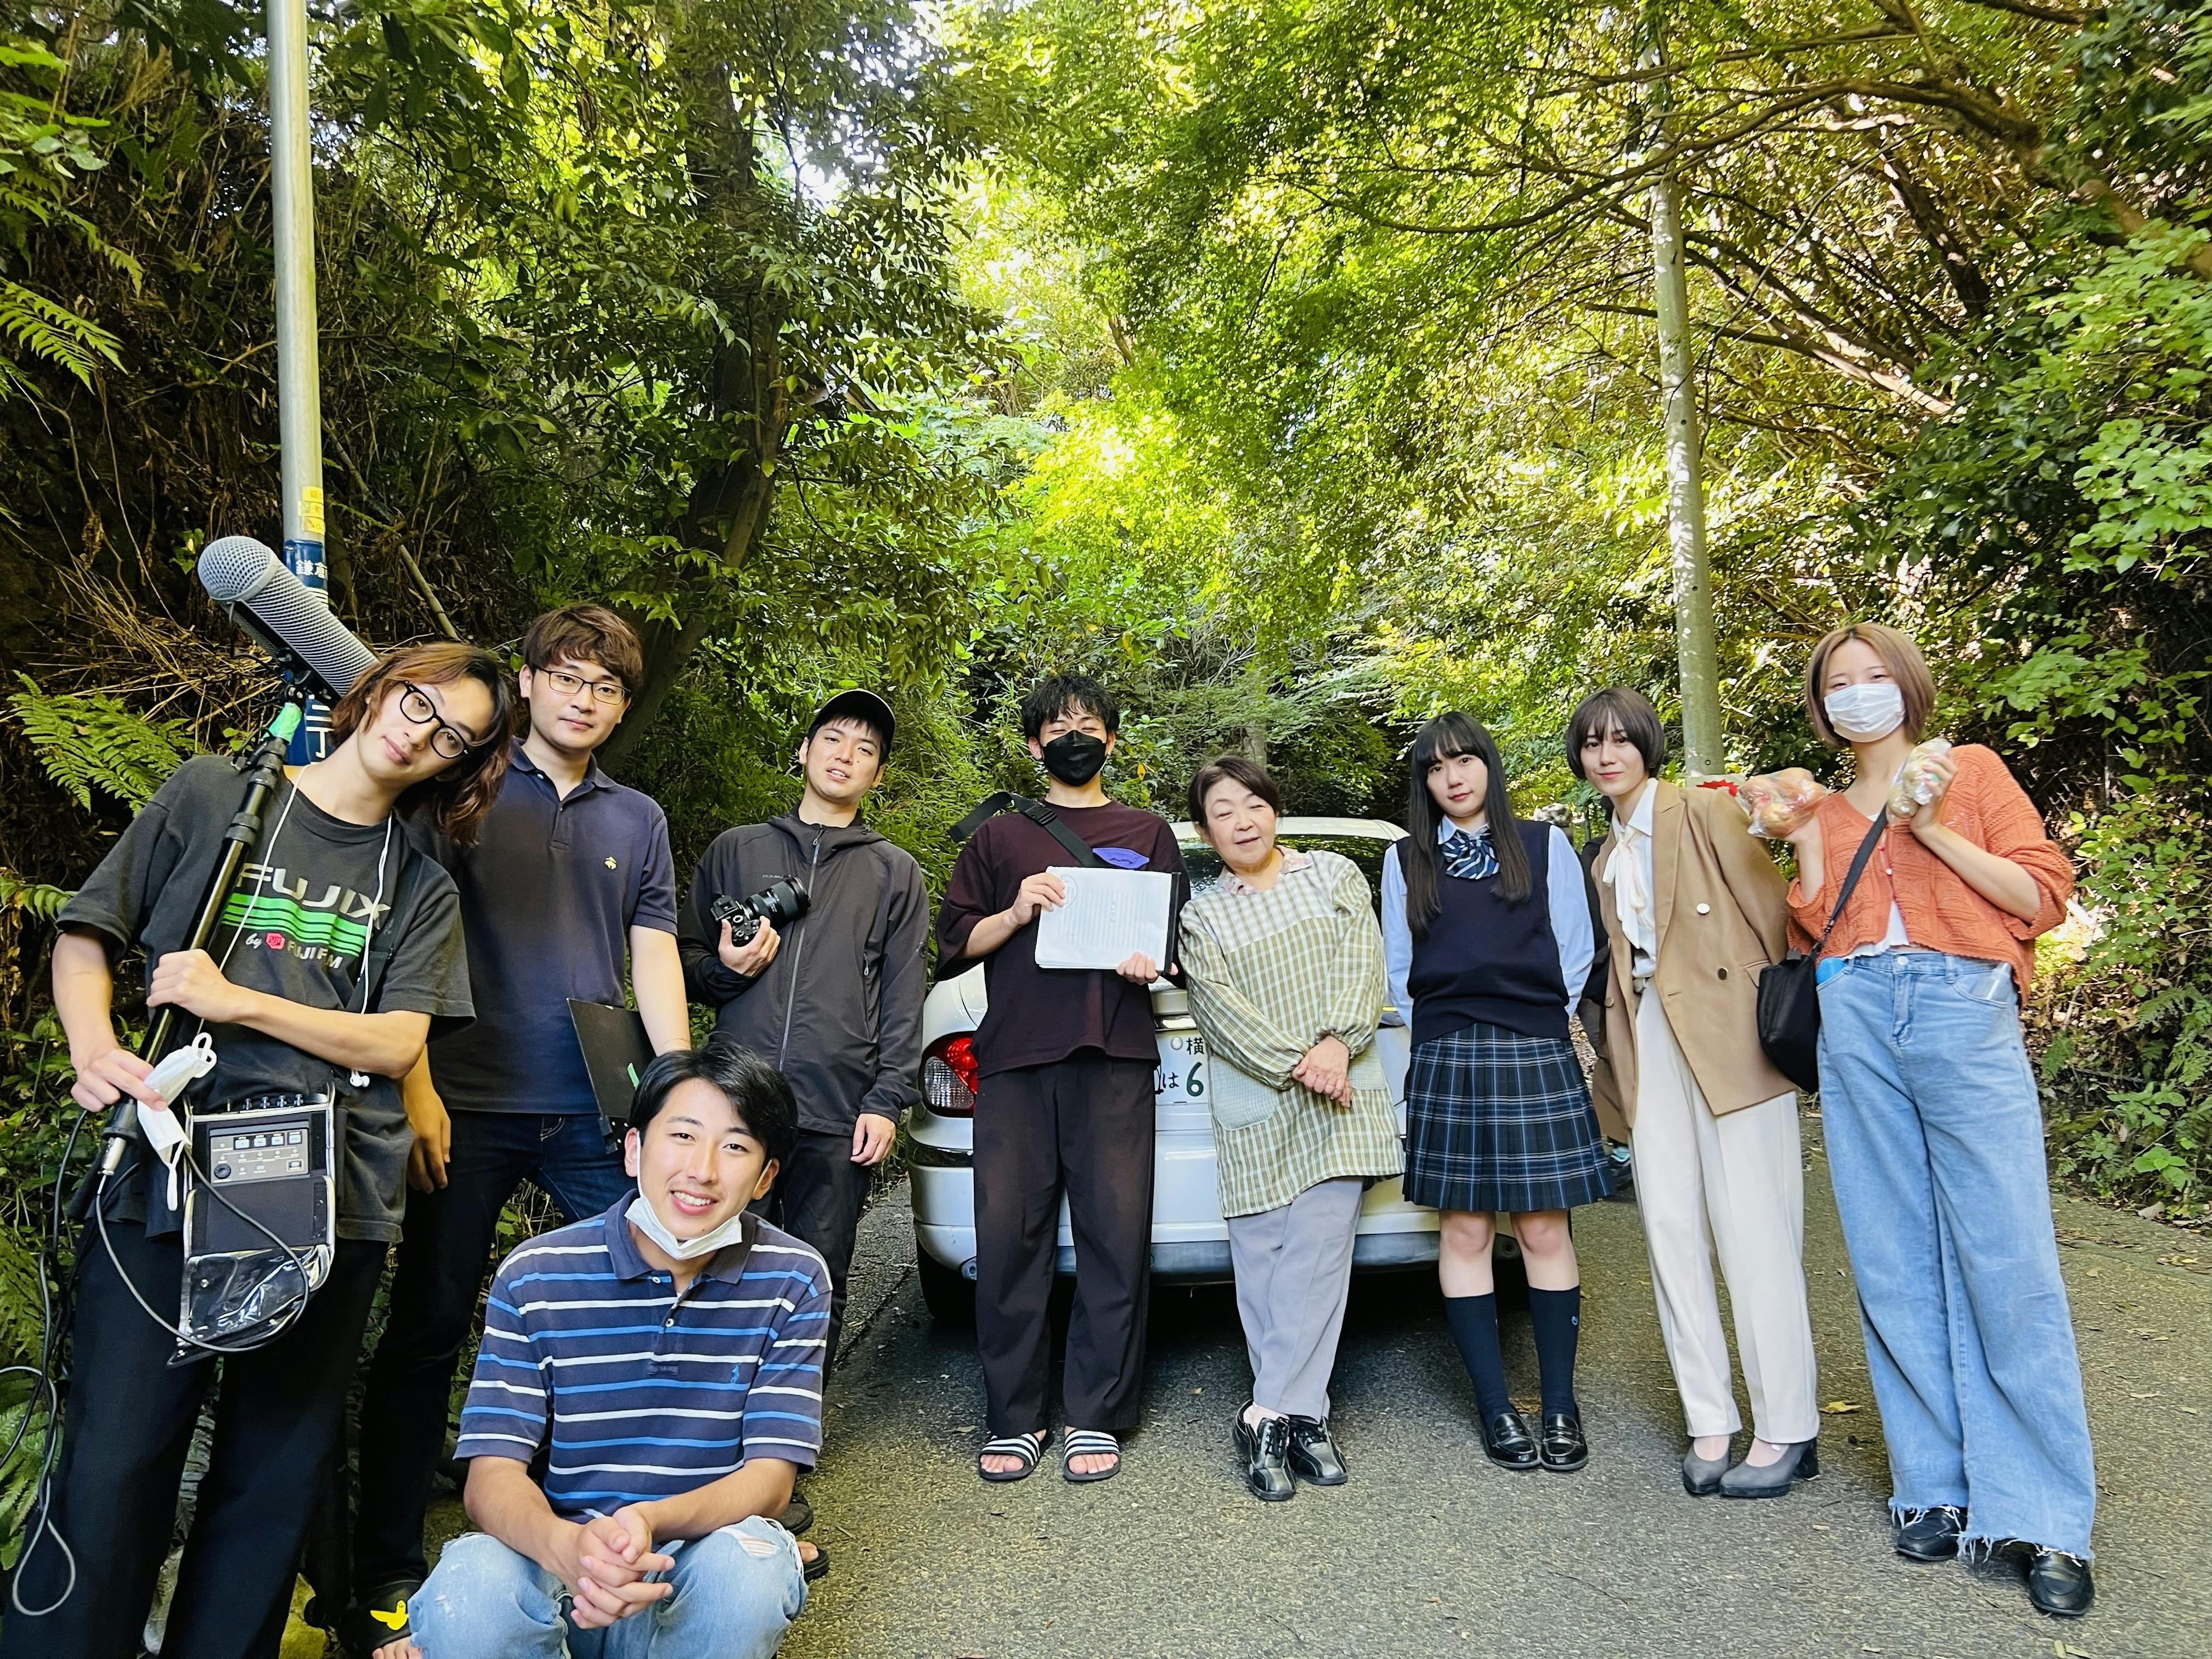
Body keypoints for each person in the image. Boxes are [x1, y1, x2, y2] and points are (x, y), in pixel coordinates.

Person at [5, 642, 507, 1659]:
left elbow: (395, 1042)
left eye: (453, 736)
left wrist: (235, 999)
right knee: (114, 1459)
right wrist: (94, 1049)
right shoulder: (216, 796)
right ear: (379, 689)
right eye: (420, 703)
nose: (422, 734)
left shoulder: (420, 884)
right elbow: (88, 932)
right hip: (169, 1166)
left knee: (271, 1474)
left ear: (458, 766)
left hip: (330, 1197)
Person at [348, 606, 692, 1654]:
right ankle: (387, 1564)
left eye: (606, 686)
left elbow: (653, 952)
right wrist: (413, 1083)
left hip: (596, 1105)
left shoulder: (638, 817)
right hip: (464, 1098)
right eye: (568, 676)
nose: (585, 698)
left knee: (651, 1301)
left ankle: (643, 1529)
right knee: (429, 1323)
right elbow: (400, 936)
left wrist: (676, 1094)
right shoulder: (461, 790)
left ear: (622, 706)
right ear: (530, 681)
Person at [1778, 623, 2094, 1618]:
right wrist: (1800, 839)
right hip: (1855, 1014)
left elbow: (2041, 895)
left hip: (1961, 1005)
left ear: (1908, 685)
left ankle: (2044, 1515)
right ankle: (1934, 1483)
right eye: (1839, 683)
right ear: (1822, 706)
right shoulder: (1826, 806)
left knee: (2007, 1255)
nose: (1858, 693)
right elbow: (1814, 925)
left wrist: (1929, 829)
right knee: (1890, 1254)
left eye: (1875, 675)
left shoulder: (1971, 769)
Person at [377, 1038, 828, 1659]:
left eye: (736, 1147)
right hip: (562, 1570)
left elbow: (771, 1480)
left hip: (693, 1567)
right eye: (683, 1136)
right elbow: (491, 1476)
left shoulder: (794, 1277)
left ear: (765, 1177)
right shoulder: (536, 1274)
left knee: (747, 1569)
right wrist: (571, 1550)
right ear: (634, 1148)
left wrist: (649, 1520)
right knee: (473, 1584)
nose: (702, 1170)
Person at [676, 689, 928, 1523]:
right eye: (833, 738)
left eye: (865, 748)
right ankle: (700, 1449)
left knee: (815, 1280)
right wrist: (723, 972)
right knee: (712, 1267)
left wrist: (887, 1097)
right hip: (736, 1102)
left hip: (836, 1103)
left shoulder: (894, 872)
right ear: (804, 750)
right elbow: (683, 960)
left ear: (877, 775)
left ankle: (777, 1464)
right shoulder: (737, 849)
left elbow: (904, 992)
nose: (845, 754)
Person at [933, 674, 1187, 1483]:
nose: (1074, 736)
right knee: (1010, 1239)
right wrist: (1014, 912)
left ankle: (1094, 1414)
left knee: (1115, 1238)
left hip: (1115, 1056)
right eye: (1058, 725)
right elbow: (954, 945)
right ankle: (1014, 1418)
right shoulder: (999, 838)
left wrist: (1154, 964)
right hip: (1014, 1058)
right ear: (1034, 744)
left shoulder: (1148, 832)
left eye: (1089, 723)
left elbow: (1175, 944)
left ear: (1112, 739)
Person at [1571, 687, 1820, 1498]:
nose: (1607, 755)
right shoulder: (1605, 854)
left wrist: (1766, 1022)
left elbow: (1775, 922)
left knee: (1755, 1229)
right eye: (1592, 744)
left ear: (1648, 744)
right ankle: (1709, 1417)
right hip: (1650, 1039)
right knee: (1670, 1228)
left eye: (1621, 739)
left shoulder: (1707, 812)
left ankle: (1788, 1426)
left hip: (1731, 1035)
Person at [1380, 712, 1606, 1475]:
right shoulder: (1404, 860)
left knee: (1543, 1229)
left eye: (1466, 760)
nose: (1453, 777)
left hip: (1533, 1045)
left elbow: (1575, 950)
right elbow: (1400, 969)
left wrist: (1533, 1022)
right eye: (1436, 767)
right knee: (1466, 1232)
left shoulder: (1543, 846)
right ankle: (1495, 1407)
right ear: (1425, 782)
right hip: (1447, 1051)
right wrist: (1445, 1032)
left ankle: (1561, 1405)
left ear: (1488, 766)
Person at [1177, 756, 1401, 1502]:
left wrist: (1337, 1045)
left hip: (1341, 1089)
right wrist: (1299, 1062)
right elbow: (1217, 1009)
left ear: (1274, 809)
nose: (1242, 821)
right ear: (1205, 831)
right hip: (1258, 1094)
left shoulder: (1333, 875)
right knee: (1264, 1259)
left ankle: (1265, 1412)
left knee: (1319, 1250)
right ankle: (1304, 1418)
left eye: (1253, 804)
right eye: (1223, 811)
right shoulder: (1201, 915)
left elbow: (1363, 965)